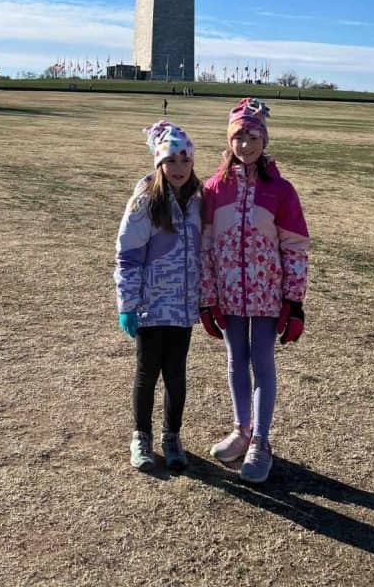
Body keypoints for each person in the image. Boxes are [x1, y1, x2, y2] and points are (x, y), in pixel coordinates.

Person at [200, 98, 309, 483]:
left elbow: (294, 247)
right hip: (229, 295)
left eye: (252, 136)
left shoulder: (280, 190)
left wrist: (294, 301)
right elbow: (206, 246)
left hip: (267, 295)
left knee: (262, 363)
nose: (244, 145)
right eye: (238, 137)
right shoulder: (214, 189)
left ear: (263, 139)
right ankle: (241, 429)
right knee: (235, 360)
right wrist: (207, 297)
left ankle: (261, 441)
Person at [114, 121, 202, 472]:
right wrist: (128, 305)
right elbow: (127, 255)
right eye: (170, 161)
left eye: (184, 160)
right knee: (147, 374)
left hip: (182, 308)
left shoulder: (198, 200)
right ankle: (142, 436)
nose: (178, 168)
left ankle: (172, 435)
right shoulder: (145, 201)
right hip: (151, 308)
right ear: (158, 163)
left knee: (176, 374)